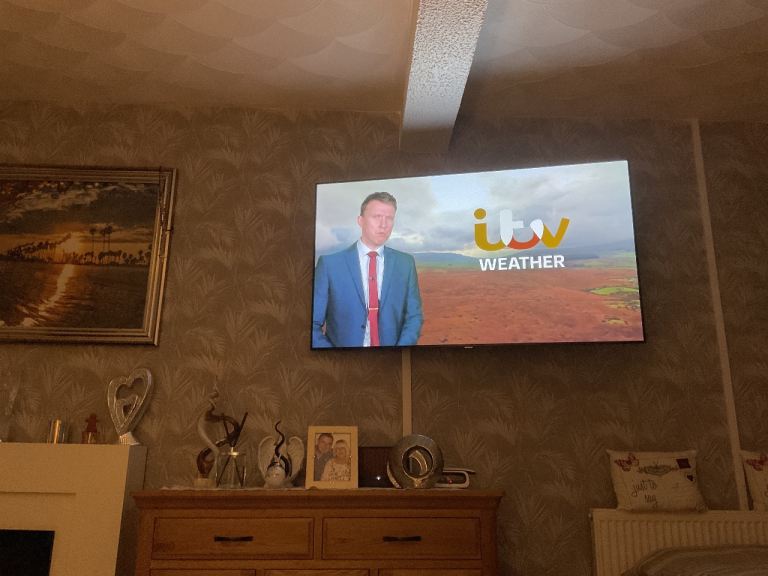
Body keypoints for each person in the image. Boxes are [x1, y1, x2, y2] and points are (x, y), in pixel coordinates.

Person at [312, 191, 423, 348]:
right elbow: (312, 324)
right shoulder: (330, 265)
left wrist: (398, 353)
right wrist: (335, 357)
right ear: (361, 221)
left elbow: (414, 317)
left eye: (389, 218)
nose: (383, 224)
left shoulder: (405, 263)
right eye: (377, 217)